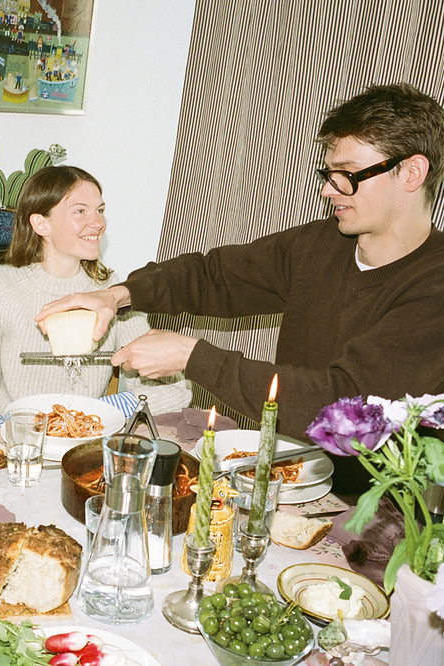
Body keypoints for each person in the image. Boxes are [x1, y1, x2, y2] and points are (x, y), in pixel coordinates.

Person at [36, 83, 444, 494]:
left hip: (389, 514)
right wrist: (116, 295)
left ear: (411, 172)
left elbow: (343, 405)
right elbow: (216, 276)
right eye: (328, 174)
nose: (327, 189)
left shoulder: (435, 287)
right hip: (293, 476)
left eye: (348, 175)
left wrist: (192, 356)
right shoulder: (320, 245)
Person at [0, 165, 192, 430]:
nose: (98, 223)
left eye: (100, 210)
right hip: (17, 442)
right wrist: (5, 436)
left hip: (85, 442)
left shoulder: (111, 293)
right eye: (80, 211)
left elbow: (174, 389)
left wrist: (99, 413)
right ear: (41, 223)